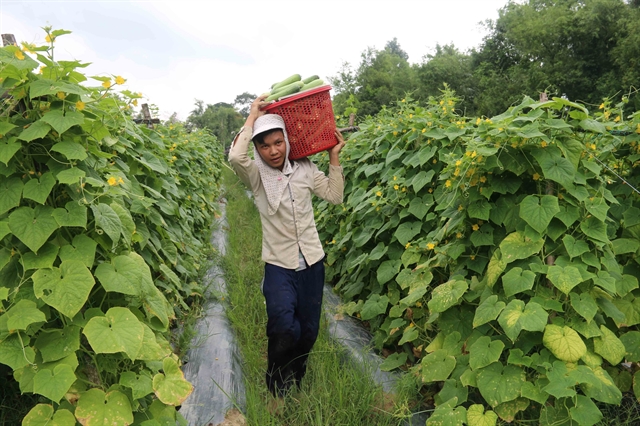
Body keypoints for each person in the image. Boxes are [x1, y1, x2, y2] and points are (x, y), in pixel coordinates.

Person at [227, 94, 345, 410]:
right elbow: (236, 157)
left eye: (278, 143)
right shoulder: (256, 177)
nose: (273, 151)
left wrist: (333, 157)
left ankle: (297, 373)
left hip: (312, 262)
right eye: (264, 146)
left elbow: (335, 196)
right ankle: (276, 382)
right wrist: (252, 115)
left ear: (287, 142)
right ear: (258, 148)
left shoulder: (305, 169)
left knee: (308, 330)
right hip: (279, 264)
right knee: (283, 326)